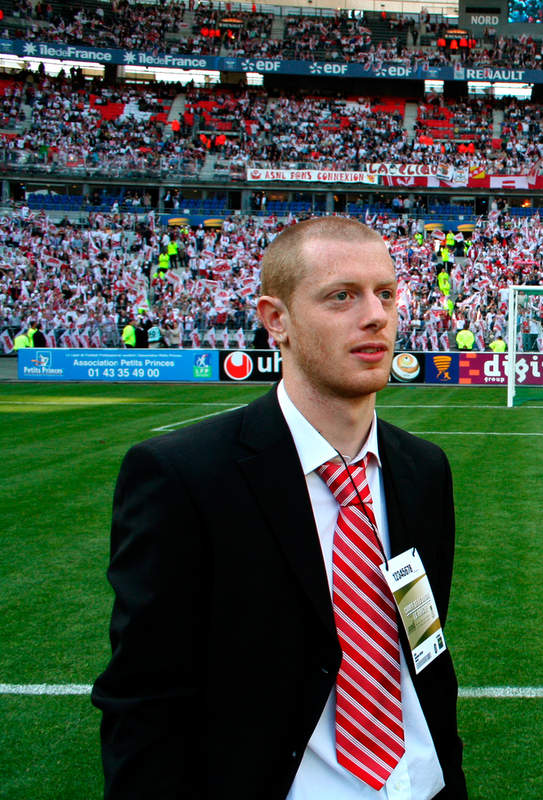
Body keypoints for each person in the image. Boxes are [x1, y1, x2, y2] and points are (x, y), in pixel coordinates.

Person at [93, 217, 468, 800]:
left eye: (387, 294)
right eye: (341, 296)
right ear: (276, 320)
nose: (376, 316)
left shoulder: (424, 469)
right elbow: (144, 704)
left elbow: (423, 650)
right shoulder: (183, 476)